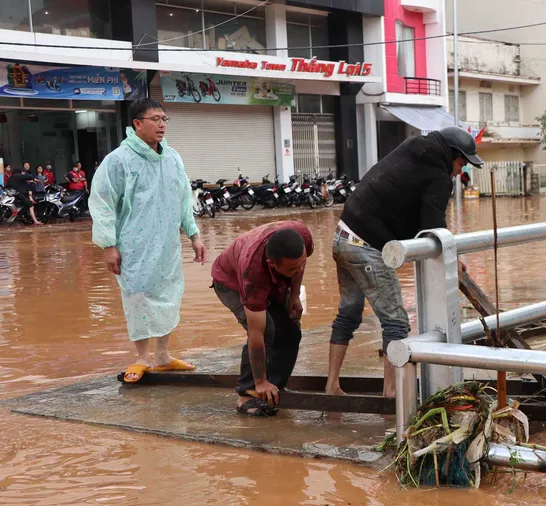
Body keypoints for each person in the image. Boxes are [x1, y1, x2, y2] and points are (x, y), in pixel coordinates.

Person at [326, 126, 483, 397]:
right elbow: (434, 226)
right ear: (452, 154)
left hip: (342, 235)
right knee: (397, 323)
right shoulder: (438, 177)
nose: (460, 171)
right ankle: (392, 395)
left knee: (348, 315)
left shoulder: (413, 148)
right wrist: (451, 261)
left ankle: (331, 386)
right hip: (366, 247)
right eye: (460, 163)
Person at [90, 98, 206, 383]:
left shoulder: (172, 158)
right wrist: (108, 245)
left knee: (169, 294)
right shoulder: (118, 160)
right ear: (137, 124)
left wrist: (194, 234)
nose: (162, 124)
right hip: (133, 245)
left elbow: (183, 199)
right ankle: (142, 357)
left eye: (165, 119)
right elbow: (102, 202)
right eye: (156, 119)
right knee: (137, 296)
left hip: (167, 243)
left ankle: (163, 355)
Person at [212, 222, 312, 416]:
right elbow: (256, 332)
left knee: (291, 329)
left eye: (301, 264)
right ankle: (246, 394)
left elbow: (300, 265)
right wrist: (259, 381)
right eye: (293, 269)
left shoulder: (303, 236)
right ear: (271, 264)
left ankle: (275, 386)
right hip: (230, 282)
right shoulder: (253, 273)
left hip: (273, 280)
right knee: (267, 331)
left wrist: (294, 295)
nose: (299, 271)